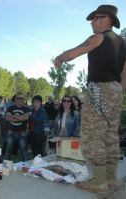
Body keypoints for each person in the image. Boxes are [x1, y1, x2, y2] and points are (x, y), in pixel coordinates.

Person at [54, 5, 126, 193]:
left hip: (99, 89)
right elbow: (125, 73)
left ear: (108, 20)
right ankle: (111, 179)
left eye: (96, 18)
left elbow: (75, 52)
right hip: (116, 90)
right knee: (110, 135)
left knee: (93, 134)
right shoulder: (122, 42)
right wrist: (117, 93)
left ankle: (99, 182)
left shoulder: (98, 37)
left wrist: (60, 58)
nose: (92, 22)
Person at [4, 93, 30, 161]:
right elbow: (8, 118)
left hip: (22, 133)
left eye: (21, 98)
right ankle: (5, 169)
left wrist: (13, 116)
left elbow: (26, 117)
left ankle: (27, 169)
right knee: (8, 151)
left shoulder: (26, 108)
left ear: (23, 100)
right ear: (14, 99)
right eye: (17, 98)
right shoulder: (10, 108)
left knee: (24, 151)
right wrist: (20, 117)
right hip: (11, 132)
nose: (19, 100)